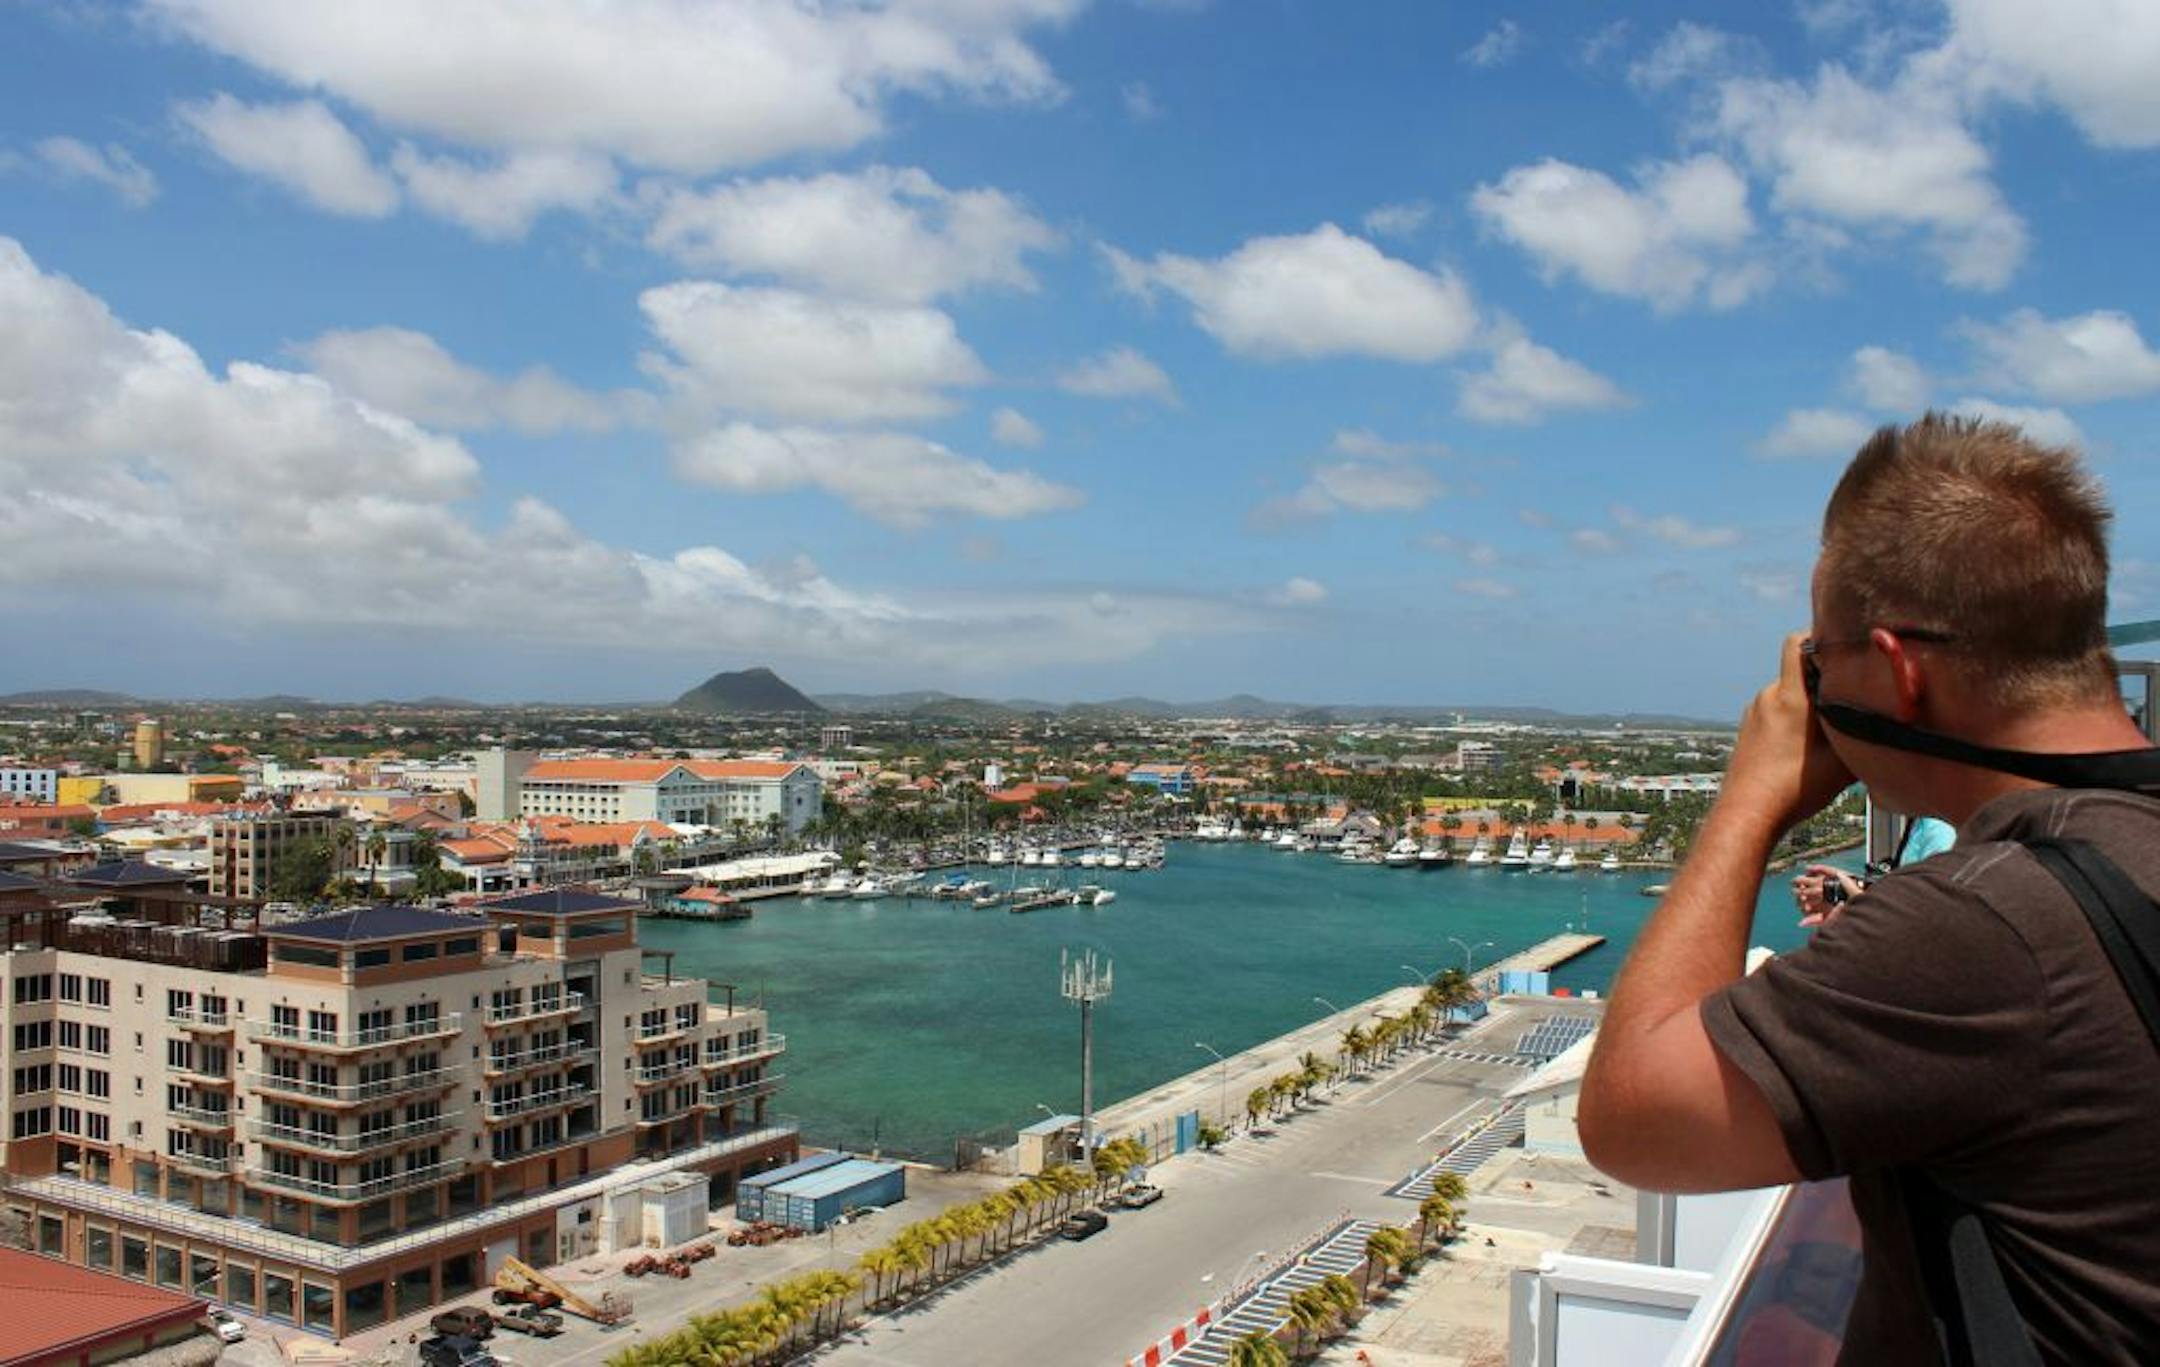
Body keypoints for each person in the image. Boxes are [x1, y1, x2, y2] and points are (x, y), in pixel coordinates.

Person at [1579, 415, 2160, 1364]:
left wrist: (1749, 801)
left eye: (1817, 663)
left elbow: (1634, 1123)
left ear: (1896, 670)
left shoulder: (1986, 922)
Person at [1792, 814, 1955, 927]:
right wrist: (1850, 888)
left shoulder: (1941, 831)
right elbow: (1908, 892)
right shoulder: (1925, 820)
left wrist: (1862, 907)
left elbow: (1928, 923)